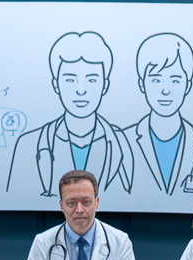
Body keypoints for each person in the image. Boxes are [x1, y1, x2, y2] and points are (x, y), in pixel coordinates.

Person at [7, 32, 133, 197]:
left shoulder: (121, 143)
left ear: (105, 85)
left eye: (92, 80)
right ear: (56, 84)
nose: (81, 90)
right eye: (70, 80)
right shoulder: (28, 145)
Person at [123, 33, 193, 197]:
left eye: (175, 80)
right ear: (141, 84)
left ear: (188, 85)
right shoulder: (121, 143)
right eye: (156, 80)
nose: (165, 90)